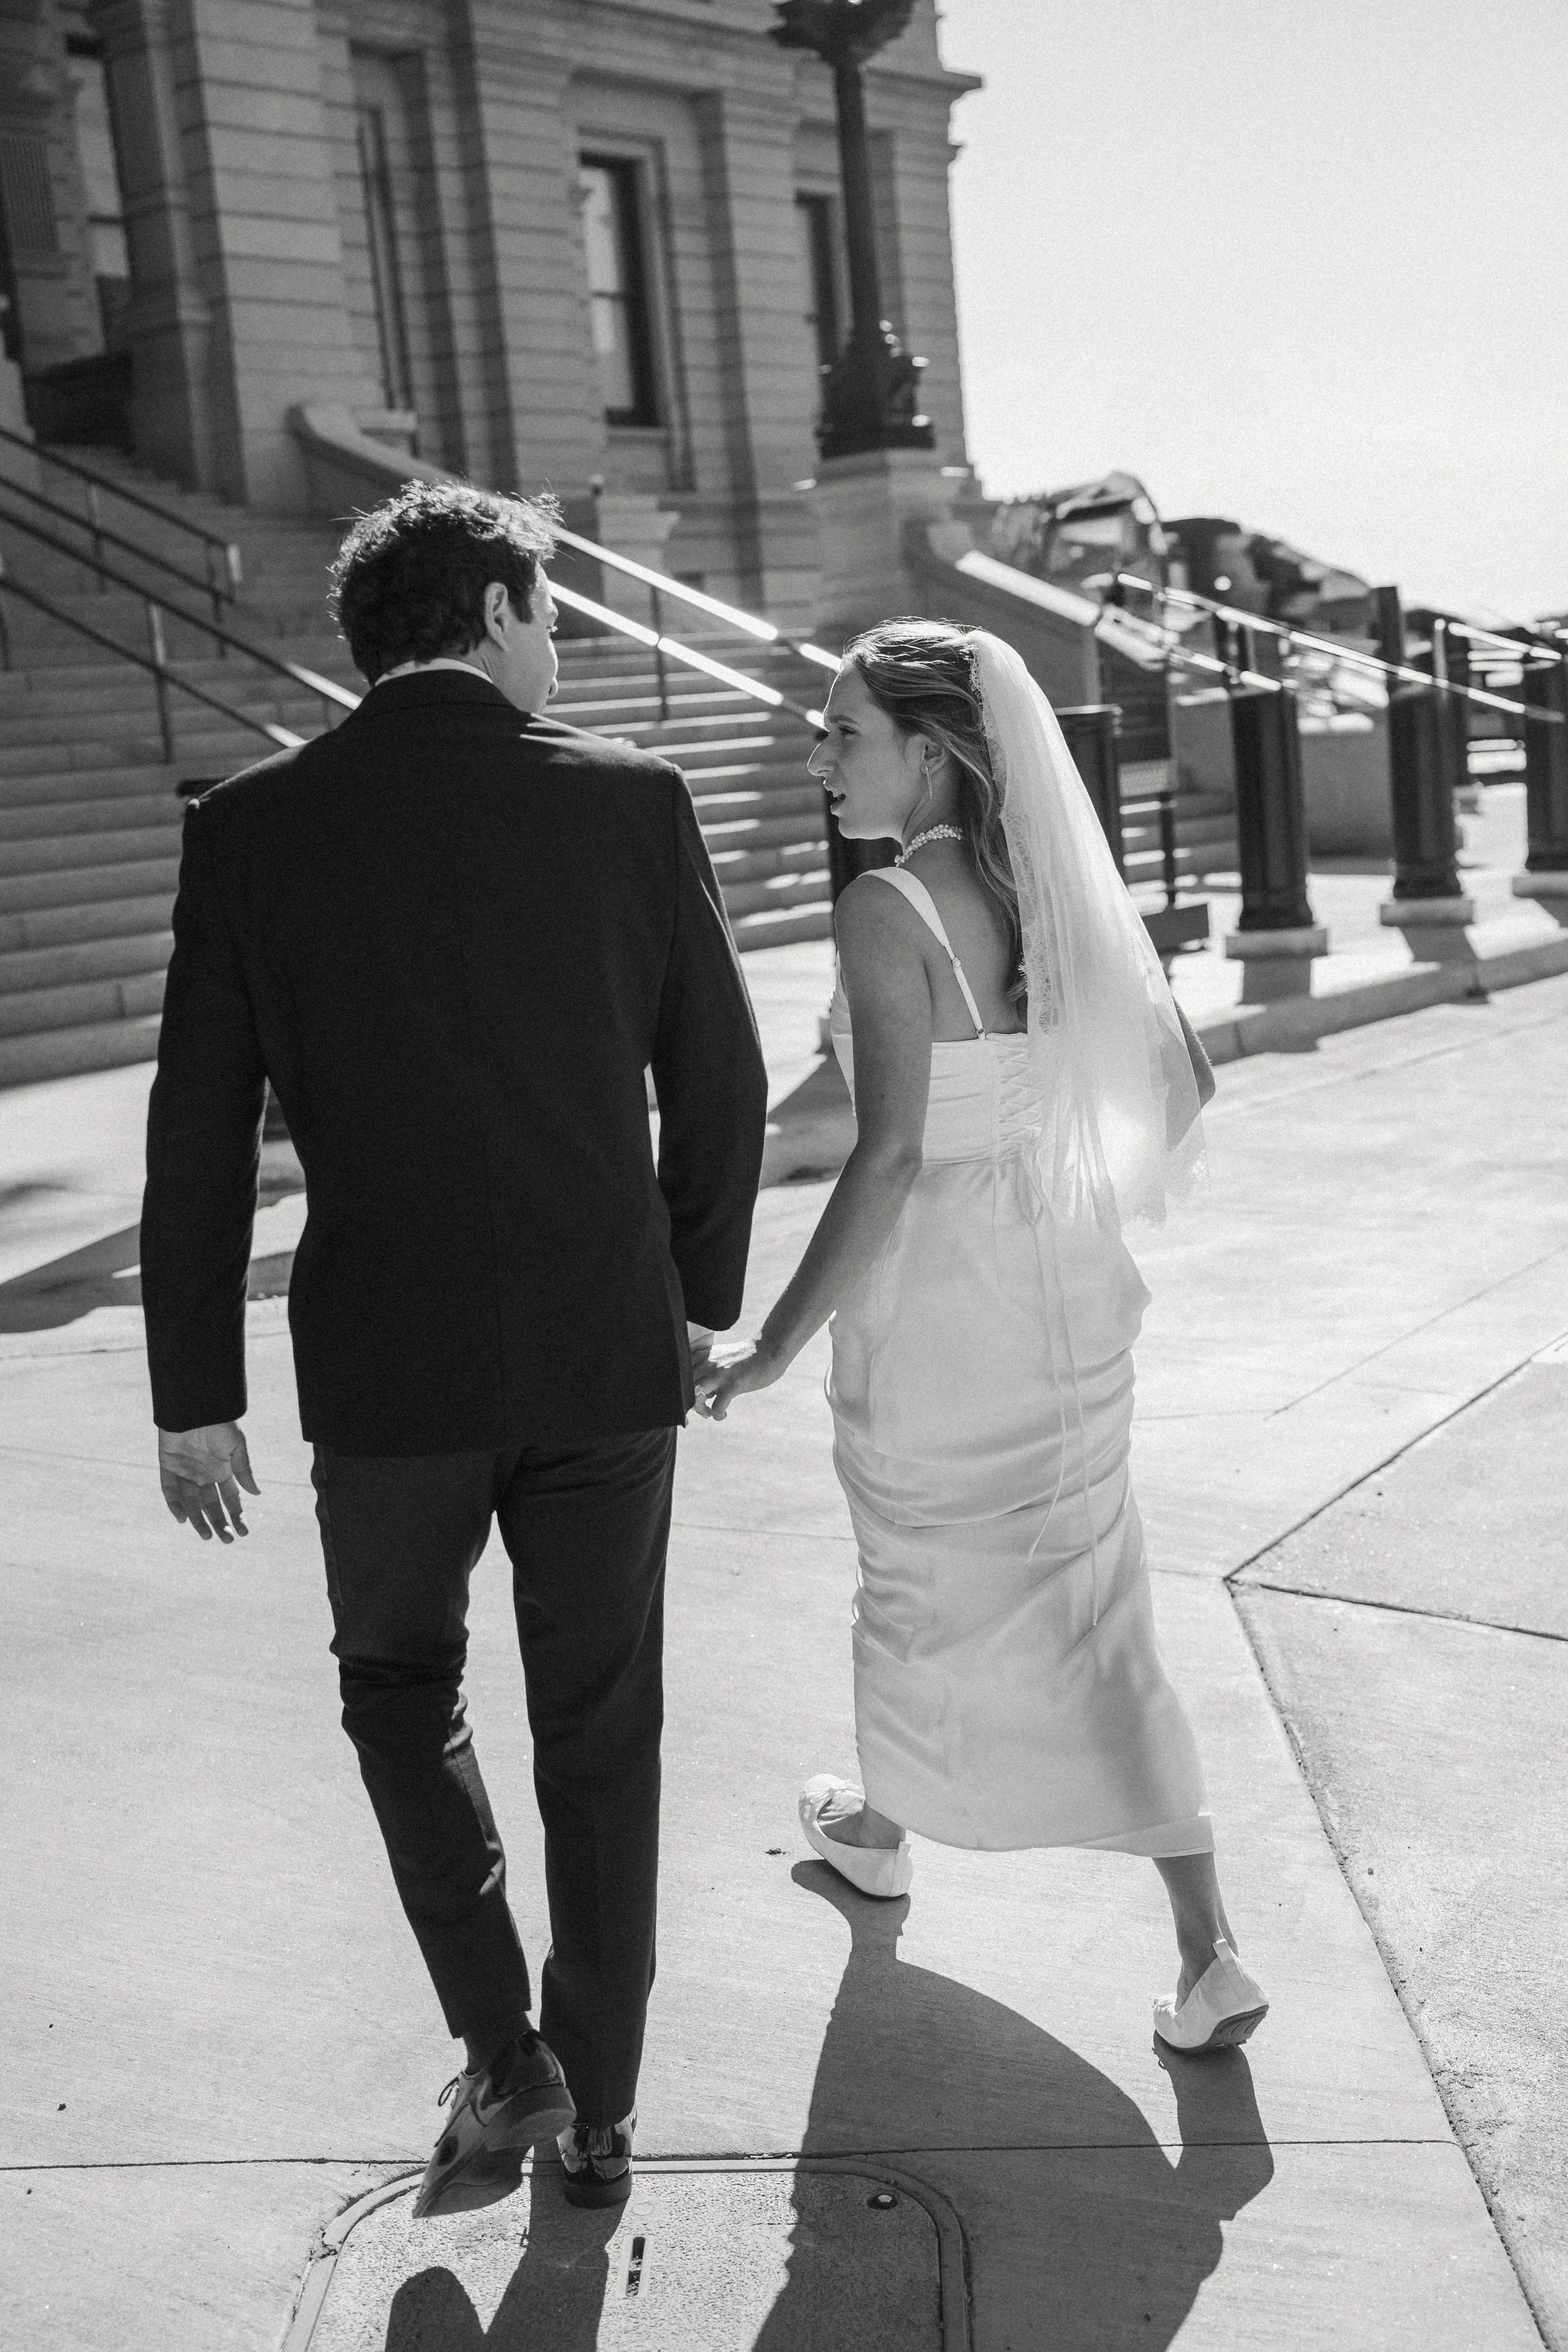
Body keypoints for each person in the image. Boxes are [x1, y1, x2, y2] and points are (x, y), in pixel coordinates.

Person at [141, 482, 768, 2215]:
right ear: (491, 609)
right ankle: (607, 2111)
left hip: (388, 1371)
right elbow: (716, 1082)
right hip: (601, 1355)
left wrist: (195, 1395)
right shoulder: (633, 806)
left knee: (397, 1694)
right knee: (601, 1725)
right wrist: (692, 1293)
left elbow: (197, 1129)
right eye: (550, 612)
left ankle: (504, 2051)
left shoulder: (251, 829)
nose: (559, 643)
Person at [695, 620, 1267, 2057]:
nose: (818, 758)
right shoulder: (1047, 891)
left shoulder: (891, 908)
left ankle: (886, 1833)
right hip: (1063, 1278)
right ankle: (1200, 1950)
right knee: (1088, 1600)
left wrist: (768, 1343)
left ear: (932, 751)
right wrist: (1040, 1145)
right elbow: (1182, 1084)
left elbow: (885, 1156)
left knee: (915, 1577)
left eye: (843, 736)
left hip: (944, 1297)